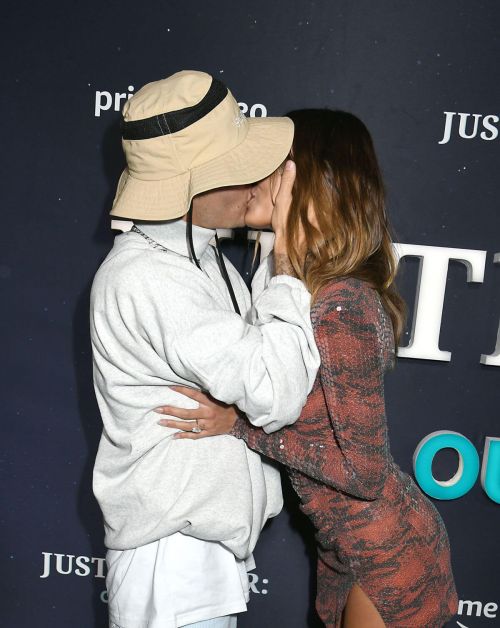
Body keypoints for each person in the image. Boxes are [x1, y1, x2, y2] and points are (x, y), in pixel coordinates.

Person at [156, 109, 459, 627]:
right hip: (351, 550)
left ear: (308, 183)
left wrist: (242, 429)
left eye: (273, 163)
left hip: (386, 558)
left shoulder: (341, 304)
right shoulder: (307, 291)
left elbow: (363, 474)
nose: (253, 175)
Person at [90, 72, 320, 628]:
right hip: (174, 558)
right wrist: (287, 256)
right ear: (194, 187)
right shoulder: (152, 277)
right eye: (237, 169)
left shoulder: (200, 261)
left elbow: (271, 372)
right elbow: (278, 389)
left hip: (192, 552)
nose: (255, 181)